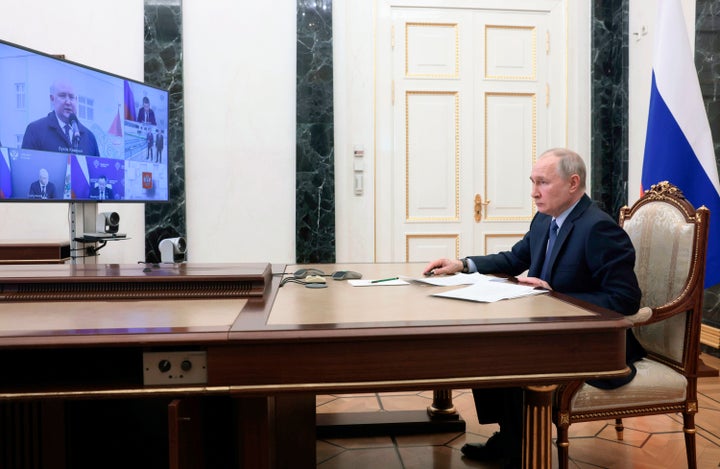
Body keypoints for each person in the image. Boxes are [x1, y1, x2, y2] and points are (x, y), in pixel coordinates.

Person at [423, 148, 645, 467]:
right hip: (551, 331)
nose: (533, 192)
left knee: (511, 352)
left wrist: (556, 294)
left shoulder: (598, 228)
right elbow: (515, 259)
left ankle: (519, 445)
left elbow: (624, 299)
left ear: (573, 183)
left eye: (542, 182)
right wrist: (463, 263)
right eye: (532, 182)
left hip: (594, 343)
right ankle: (511, 436)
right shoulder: (545, 219)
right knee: (484, 342)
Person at [21, 79, 100, 156]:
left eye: (71, 97)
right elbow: (26, 165)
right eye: (62, 96)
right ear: (52, 99)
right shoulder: (35, 130)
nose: (68, 102)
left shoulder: (89, 137)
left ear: (76, 100)